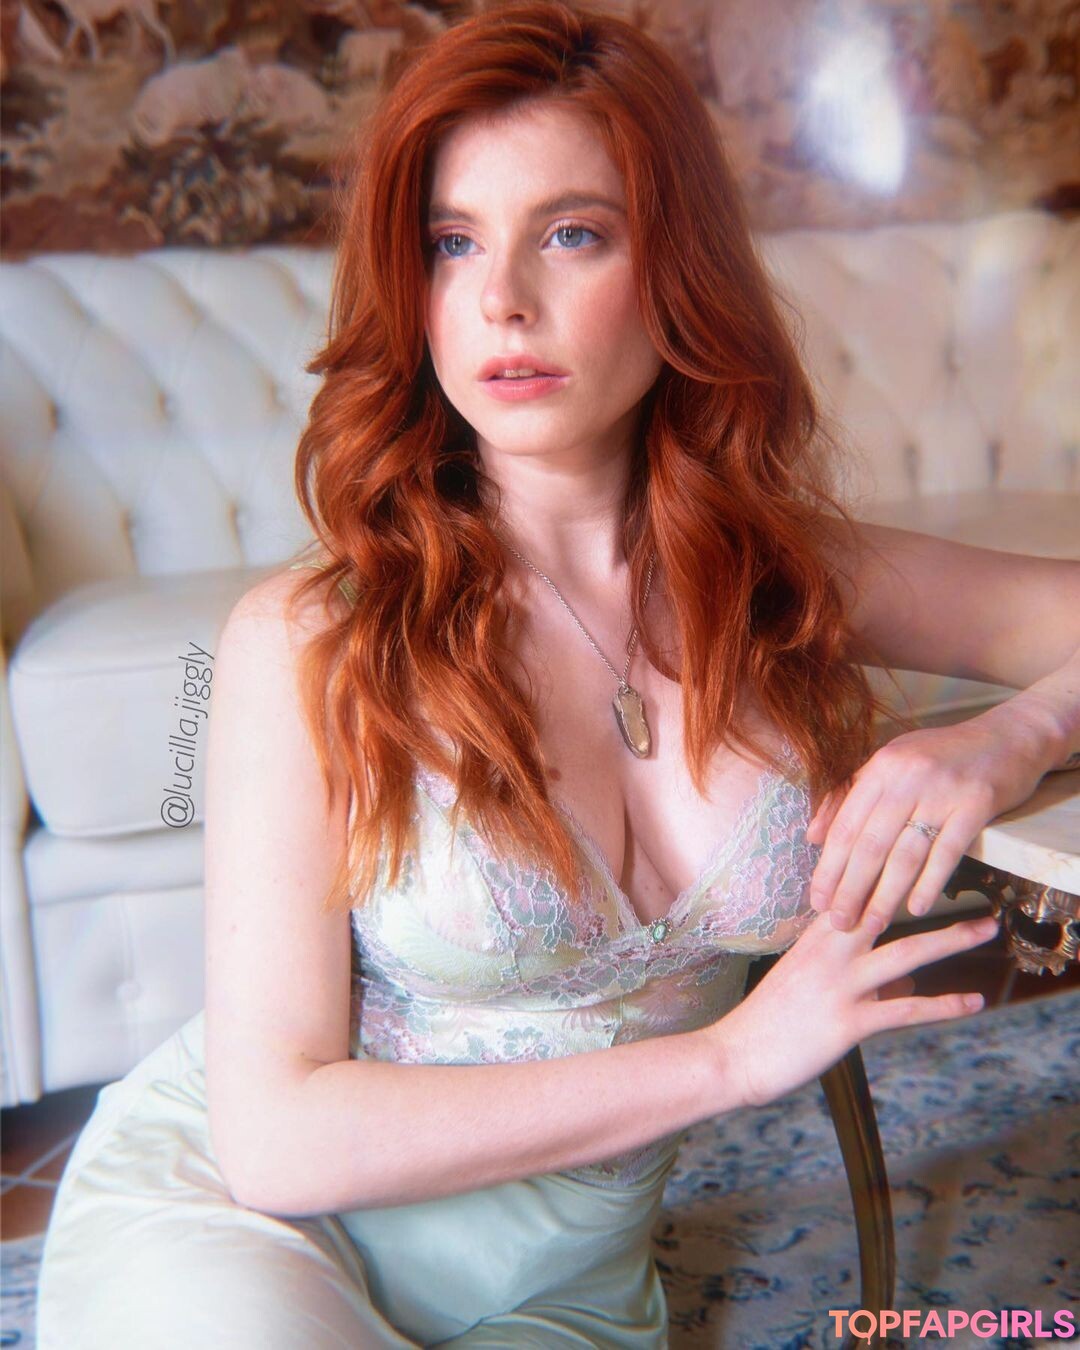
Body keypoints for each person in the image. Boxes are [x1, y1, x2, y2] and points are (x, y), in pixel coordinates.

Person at [35, 2, 1080, 1346]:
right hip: (246, 1227)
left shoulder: (784, 578)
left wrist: (1008, 736)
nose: (502, 299)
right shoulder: (308, 638)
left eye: (571, 233)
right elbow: (278, 1137)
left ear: (676, 266)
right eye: (452, 242)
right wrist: (726, 1060)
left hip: (571, 1291)